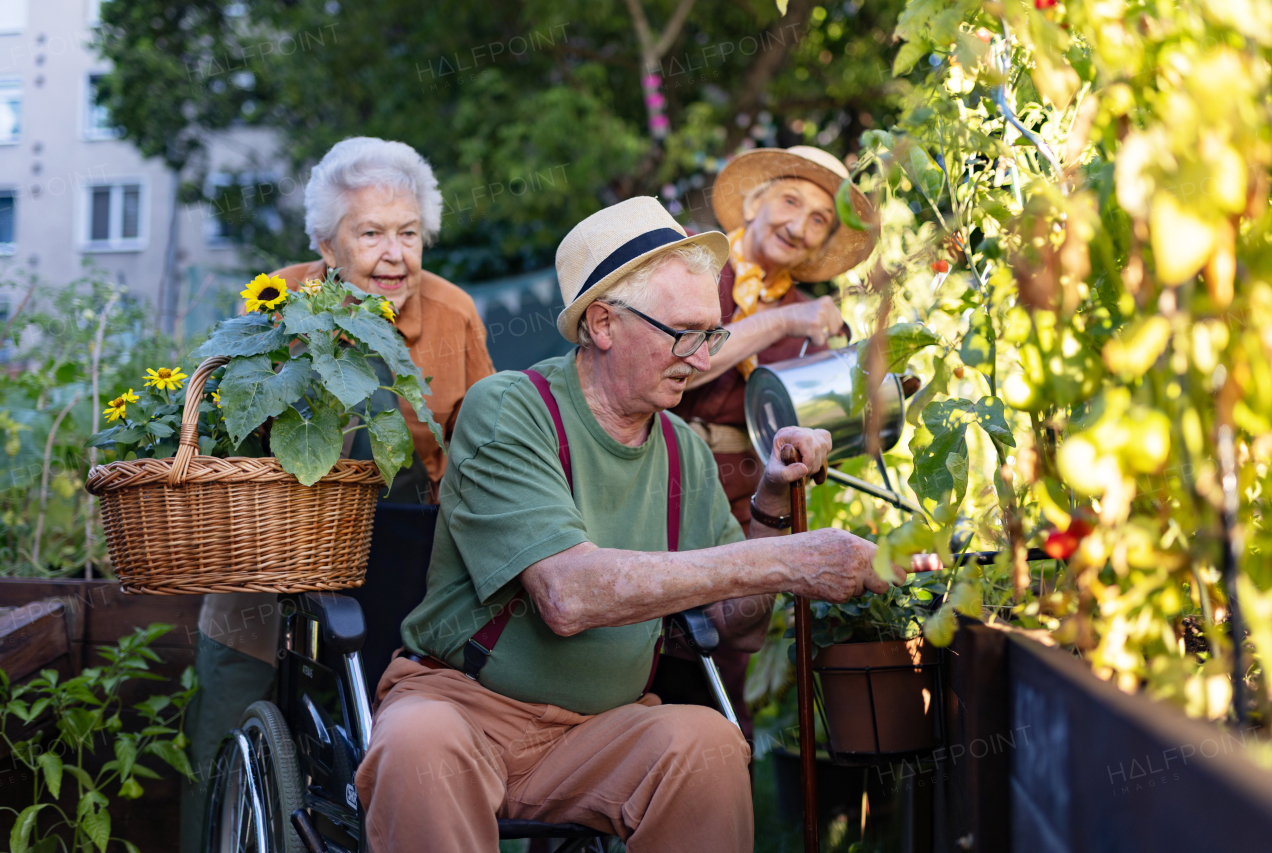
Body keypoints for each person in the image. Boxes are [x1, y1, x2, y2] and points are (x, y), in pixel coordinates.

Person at [356, 197, 935, 852]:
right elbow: (566, 596)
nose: (700, 355)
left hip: (600, 730)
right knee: (416, 744)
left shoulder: (684, 450)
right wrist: (794, 560)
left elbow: (737, 626)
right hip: (465, 711)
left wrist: (772, 499)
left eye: (711, 333)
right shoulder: (511, 410)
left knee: (711, 744)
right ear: (602, 322)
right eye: (684, 332)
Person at [180, 138, 494, 852]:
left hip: (406, 568)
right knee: (228, 708)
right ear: (326, 243)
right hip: (276, 550)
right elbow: (234, 437)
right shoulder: (276, 305)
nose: (395, 254)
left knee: (412, 731)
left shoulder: (453, 314)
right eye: (371, 233)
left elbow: (482, 451)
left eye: (409, 233)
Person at [670, 145, 878, 741]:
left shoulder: (809, 317)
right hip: (658, 475)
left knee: (725, 652)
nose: (799, 224)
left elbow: (835, 426)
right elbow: (681, 361)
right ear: (755, 204)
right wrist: (781, 322)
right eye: (791, 201)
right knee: (641, 632)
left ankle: (716, 785)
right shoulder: (694, 261)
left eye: (819, 220)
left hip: (741, 502)